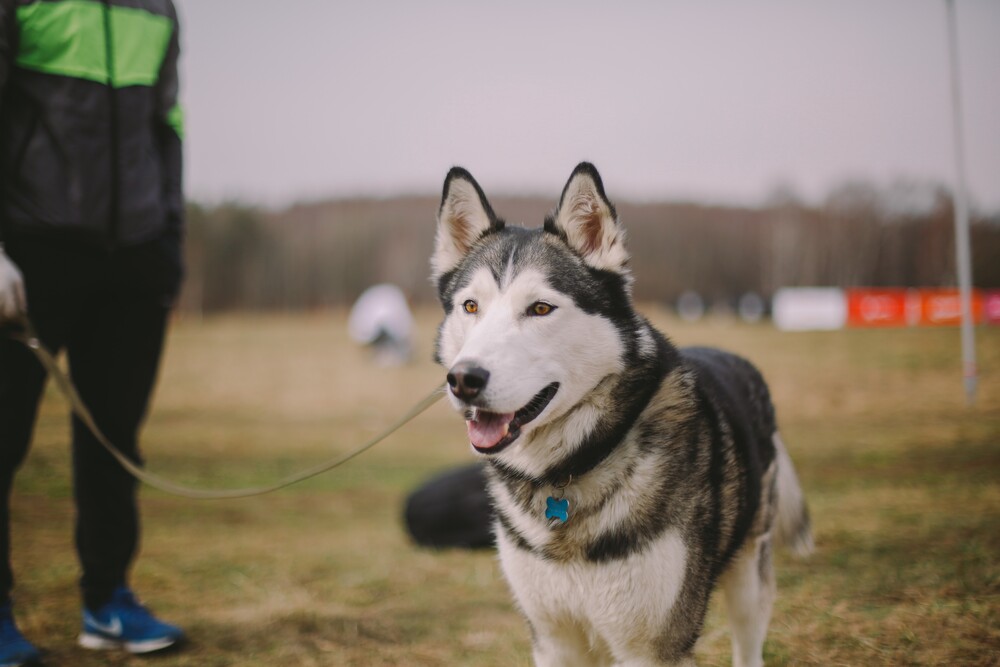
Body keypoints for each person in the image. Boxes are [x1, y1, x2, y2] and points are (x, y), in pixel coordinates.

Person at [0, 0, 186, 662]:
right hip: (27, 253)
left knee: (114, 443)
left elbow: (167, 126)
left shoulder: (159, 9)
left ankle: (106, 600)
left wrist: (167, 249)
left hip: (136, 261)